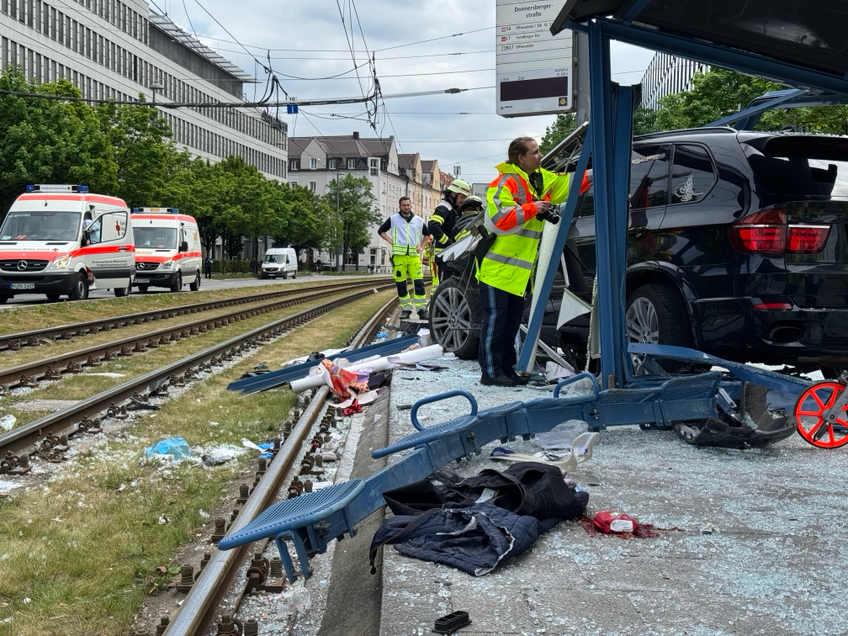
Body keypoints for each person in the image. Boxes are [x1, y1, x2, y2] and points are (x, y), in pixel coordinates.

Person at [477, 137, 582, 387]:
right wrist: (534, 207)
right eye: (535, 152)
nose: (541, 155)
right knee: (495, 323)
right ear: (520, 158)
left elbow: (570, 184)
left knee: (511, 324)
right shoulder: (504, 182)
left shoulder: (541, 178)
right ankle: (490, 372)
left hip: (518, 273)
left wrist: (597, 169)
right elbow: (501, 217)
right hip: (497, 269)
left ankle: (506, 369)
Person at [378, 196, 428, 320]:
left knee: (419, 283)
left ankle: (421, 309)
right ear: (399, 206)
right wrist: (390, 240)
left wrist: (421, 246)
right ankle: (406, 310)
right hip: (398, 256)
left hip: (413, 256)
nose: (406, 207)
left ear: (411, 205)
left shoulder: (419, 220)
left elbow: (427, 234)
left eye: (408, 205)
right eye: (404, 205)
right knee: (401, 284)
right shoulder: (393, 219)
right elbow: (381, 231)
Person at [427, 178, 471, 287]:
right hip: (444, 255)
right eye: (461, 197)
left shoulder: (452, 209)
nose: (462, 200)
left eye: (464, 198)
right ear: (452, 194)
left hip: (449, 256)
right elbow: (432, 225)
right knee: (446, 287)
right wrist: (448, 243)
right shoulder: (444, 208)